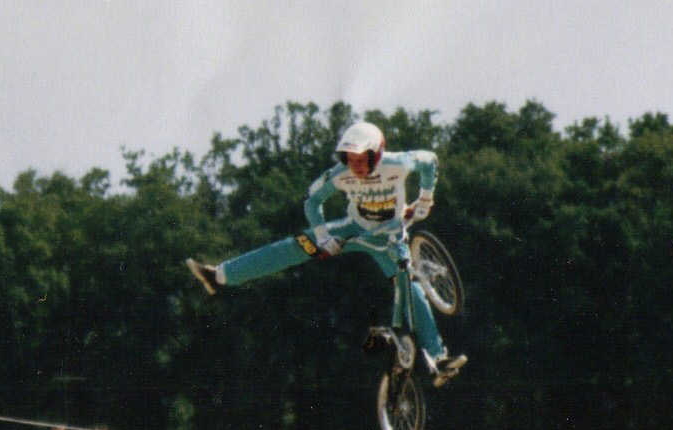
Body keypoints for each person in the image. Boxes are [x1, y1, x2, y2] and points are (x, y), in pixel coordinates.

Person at [186, 120, 467, 385]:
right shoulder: (340, 175)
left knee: (410, 283)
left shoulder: (399, 164)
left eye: (360, 160)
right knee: (294, 246)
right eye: (349, 160)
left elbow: (430, 161)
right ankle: (220, 275)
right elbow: (312, 200)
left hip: (390, 239)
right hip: (350, 231)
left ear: (377, 154)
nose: (354, 167)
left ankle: (438, 359)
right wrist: (322, 235)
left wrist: (426, 198)